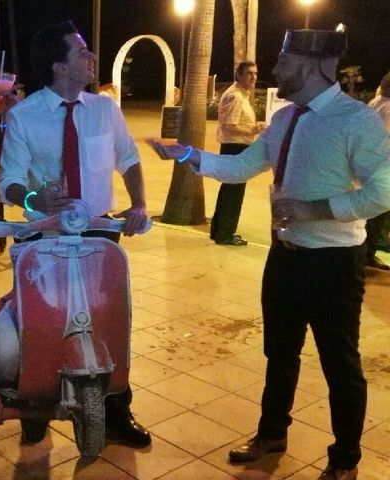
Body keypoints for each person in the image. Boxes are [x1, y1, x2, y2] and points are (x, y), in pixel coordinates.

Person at [149, 27, 390, 480]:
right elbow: (241, 167)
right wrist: (186, 155)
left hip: (334, 264)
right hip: (284, 258)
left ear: (317, 64)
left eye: (284, 61)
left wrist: (313, 209)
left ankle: (345, 459)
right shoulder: (285, 119)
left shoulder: (356, 121)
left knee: (342, 366)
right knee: (279, 353)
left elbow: (383, 192)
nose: (274, 70)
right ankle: (272, 432)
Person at [0, 21, 151, 448]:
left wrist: (138, 204)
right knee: (40, 325)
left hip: (100, 237)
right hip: (44, 239)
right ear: (58, 65)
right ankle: (35, 410)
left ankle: (117, 412)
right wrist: (36, 199)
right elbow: (8, 181)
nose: (90, 59)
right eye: (81, 52)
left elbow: (130, 158)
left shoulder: (105, 109)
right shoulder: (24, 116)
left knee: (108, 323)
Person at [210, 61, 264, 246]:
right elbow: (229, 126)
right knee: (233, 193)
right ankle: (225, 234)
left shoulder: (239, 94)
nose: (253, 77)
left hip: (235, 148)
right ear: (238, 75)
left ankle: (221, 231)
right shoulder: (236, 96)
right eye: (248, 73)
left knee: (229, 191)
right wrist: (255, 128)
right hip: (235, 148)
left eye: (255, 73)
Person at [363, 72, 390, 271]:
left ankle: (367, 253)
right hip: (381, 167)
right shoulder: (388, 108)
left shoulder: (376, 102)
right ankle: (366, 254)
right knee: (376, 213)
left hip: (368, 164)